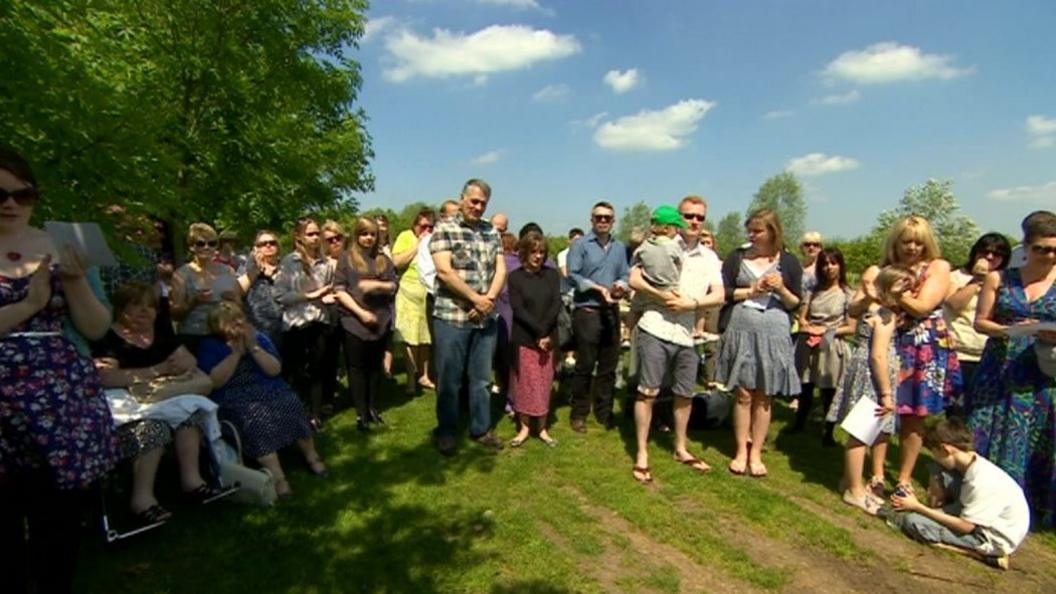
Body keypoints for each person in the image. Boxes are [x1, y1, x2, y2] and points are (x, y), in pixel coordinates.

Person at [0, 149, 117, 594]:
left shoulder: (64, 245)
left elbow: (96, 326)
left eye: (22, 193)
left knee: (59, 522)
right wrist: (28, 305)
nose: (10, 203)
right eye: (0, 193)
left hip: (60, 403)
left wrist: (73, 282)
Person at [93, 281, 224, 522]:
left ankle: (192, 482)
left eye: (151, 307)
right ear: (121, 310)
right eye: (137, 305)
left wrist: (159, 375)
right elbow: (107, 377)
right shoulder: (108, 338)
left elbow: (189, 362)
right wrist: (159, 369)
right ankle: (142, 500)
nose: (146, 311)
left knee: (190, 416)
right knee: (154, 428)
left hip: (158, 396)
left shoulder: (160, 333)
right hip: (127, 405)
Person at [850, 215, 961, 496]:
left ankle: (903, 478)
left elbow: (923, 306)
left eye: (919, 242)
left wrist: (888, 293)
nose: (912, 248)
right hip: (887, 343)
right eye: (906, 242)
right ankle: (875, 472)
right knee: (879, 408)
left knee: (914, 415)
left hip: (923, 348)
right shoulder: (882, 268)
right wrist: (870, 294)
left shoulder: (938, 267)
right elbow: (854, 309)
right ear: (895, 242)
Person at [968, 212, 1056, 528]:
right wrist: (1007, 331)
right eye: (1042, 249)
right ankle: (977, 500)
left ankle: (1026, 506)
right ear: (1027, 247)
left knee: (1030, 434)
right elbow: (980, 321)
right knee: (985, 429)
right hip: (1000, 363)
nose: (1049, 255)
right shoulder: (1000, 278)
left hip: (1041, 370)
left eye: (1055, 250)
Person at [628, 196, 724, 483]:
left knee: (685, 393)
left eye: (699, 217)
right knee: (648, 392)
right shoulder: (660, 243)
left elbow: (719, 295)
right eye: (688, 216)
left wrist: (691, 304)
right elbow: (634, 279)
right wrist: (661, 297)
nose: (694, 221)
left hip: (687, 335)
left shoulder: (709, 257)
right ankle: (642, 453)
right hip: (655, 326)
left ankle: (680, 448)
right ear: (677, 220)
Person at [197, 302, 326, 497]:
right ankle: (278, 477)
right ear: (217, 326)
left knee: (290, 402)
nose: (238, 324)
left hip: (266, 387)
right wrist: (236, 354)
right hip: (232, 395)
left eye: (240, 318)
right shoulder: (210, 346)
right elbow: (215, 381)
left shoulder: (258, 338)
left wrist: (253, 348)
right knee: (255, 416)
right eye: (231, 321)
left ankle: (312, 457)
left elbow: (275, 369)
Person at [715, 208, 802, 477]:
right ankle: (741, 449)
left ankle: (756, 453)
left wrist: (780, 288)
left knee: (765, 395)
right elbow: (724, 293)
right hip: (741, 328)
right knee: (743, 393)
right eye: (749, 230)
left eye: (757, 231)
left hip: (773, 332)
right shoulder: (737, 257)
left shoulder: (788, 262)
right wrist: (751, 290)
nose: (751, 235)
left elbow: (795, 302)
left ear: (772, 232)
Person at [827, 265, 913, 514]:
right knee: (861, 433)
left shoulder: (873, 309)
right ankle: (854, 490)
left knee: (862, 431)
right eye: (902, 283)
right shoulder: (885, 315)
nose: (907, 288)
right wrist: (886, 393)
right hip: (872, 376)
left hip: (861, 368)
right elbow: (878, 356)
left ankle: (850, 480)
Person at [890, 418, 1030, 570]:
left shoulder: (981, 482)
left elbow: (966, 527)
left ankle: (980, 554)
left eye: (935, 453)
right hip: (981, 516)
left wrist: (918, 507)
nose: (935, 457)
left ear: (946, 449)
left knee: (913, 522)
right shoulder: (971, 463)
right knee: (940, 471)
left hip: (991, 537)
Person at [430, 179, 506, 455]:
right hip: (452, 317)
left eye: (483, 203)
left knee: (482, 379)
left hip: (485, 319)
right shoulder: (444, 228)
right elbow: (444, 272)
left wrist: (488, 301)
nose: (477, 206)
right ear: (462, 199)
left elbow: (500, 270)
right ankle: (447, 431)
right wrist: (476, 299)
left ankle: (480, 428)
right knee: (450, 380)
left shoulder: (491, 232)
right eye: (473, 201)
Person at [566, 201, 630, 433]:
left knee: (609, 366)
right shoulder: (581, 245)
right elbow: (573, 274)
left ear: (613, 221)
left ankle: (604, 412)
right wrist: (596, 288)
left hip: (611, 312)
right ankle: (579, 413)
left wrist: (620, 285)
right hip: (587, 311)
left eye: (607, 218)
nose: (603, 221)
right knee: (585, 365)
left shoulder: (619, 247)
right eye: (599, 217)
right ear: (591, 219)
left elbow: (625, 273)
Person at [334, 217, 398, 432]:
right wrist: (361, 313)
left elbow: (393, 285)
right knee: (357, 369)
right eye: (364, 234)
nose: (369, 238)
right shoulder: (346, 258)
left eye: (372, 234)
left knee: (374, 368)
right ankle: (361, 413)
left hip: (379, 321)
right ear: (356, 235)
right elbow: (340, 290)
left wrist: (376, 284)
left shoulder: (383, 260)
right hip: (354, 321)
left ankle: (374, 409)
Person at [791, 247, 855, 443]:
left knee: (829, 391)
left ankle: (828, 431)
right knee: (805, 386)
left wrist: (827, 331)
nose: (829, 268)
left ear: (841, 266)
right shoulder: (813, 290)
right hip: (808, 342)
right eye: (825, 264)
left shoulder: (847, 294)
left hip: (831, 344)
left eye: (833, 263)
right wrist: (808, 327)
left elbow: (851, 327)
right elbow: (802, 316)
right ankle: (799, 423)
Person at [275, 216, 333, 429]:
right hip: (296, 324)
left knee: (318, 370)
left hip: (319, 321)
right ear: (298, 236)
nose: (315, 238)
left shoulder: (325, 263)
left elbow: (326, 290)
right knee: (297, 372)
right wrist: (311, 295)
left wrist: (325, 298)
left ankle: (315, 416)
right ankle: (295, 416)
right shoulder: (290, 262)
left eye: (317, 233)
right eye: (310, 234)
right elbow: (280, 295)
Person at [942, 233, 1012, 408]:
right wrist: (978, 280)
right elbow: (953, 304)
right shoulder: (956, 276)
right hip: (959, 352)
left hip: (991, 352)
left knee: (982, 407)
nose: (989, 257)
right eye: (984, 252)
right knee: (957, 408)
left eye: (996, 254)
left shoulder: (1007, 281)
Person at [508, 232, 562, 447]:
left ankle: (542, 428)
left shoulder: (552, 275)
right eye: (534, 252)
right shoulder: (515, 278)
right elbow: (518, 309)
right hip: (525, 337)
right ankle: (524, 427)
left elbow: (556, 303)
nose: (538, 256)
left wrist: (546, 333)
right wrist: (538, 332)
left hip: (548, 337)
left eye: (541, 252)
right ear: (524, 253)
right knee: (526, 383)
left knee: (543, 382)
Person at [170, 222, 240, 350]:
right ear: (191, 247)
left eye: (212, 243)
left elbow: (239, 306)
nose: (207, 247)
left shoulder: (228, 271)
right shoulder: (181, 274)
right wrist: (194, 301)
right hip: (194, 336)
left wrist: (232, 300)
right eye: (201, 243)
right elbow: (175, 314)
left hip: (223, 334)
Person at [392, 208, 437, 394]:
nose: (426, 229)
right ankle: (411, 379)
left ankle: (424, 375)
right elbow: (396, 262)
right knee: (410, 337)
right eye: (423, 226)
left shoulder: (436, 239)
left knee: (425, 337)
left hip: (427, 292)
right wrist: (418, 244)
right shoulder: (405, 236)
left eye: (430, 226)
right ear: (415, 225)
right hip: (408, 291)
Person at [417, 200, 461, 341]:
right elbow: (427, 274)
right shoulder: (429, 241)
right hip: (438, 300)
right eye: (453, 215)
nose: (457, 219)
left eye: (459, 215)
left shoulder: (464, 240)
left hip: (464, 302)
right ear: (442, 217)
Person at [237, 230, 283, 346]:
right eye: (262, 244)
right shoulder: (246, 269)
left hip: (285, 330)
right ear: (255, 249)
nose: (268, 246)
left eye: (272, 243)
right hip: (257, 330)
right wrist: (255, 272)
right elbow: (237, 291)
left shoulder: (287, 268)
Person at [320, 220, 348, 415]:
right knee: (329, 358)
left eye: (338, 238)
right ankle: (327, 397)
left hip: (352, 313)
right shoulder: (322, 263)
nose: (335, 242)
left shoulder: (352, 259)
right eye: (330, 239)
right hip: (330, 314)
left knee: (354, 357)